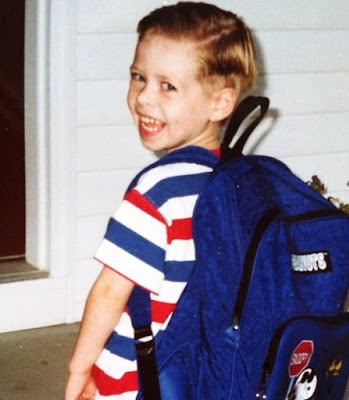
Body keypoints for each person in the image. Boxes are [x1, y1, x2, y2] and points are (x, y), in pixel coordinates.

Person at [65, 2, 258, 399]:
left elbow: (110, 291)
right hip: (202, 374)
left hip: (135, 377)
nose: (144, 98)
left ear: (221, 103)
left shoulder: (158, 191)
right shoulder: (236, 181)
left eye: (167, 86)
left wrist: (79, 367)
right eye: (139, 77)